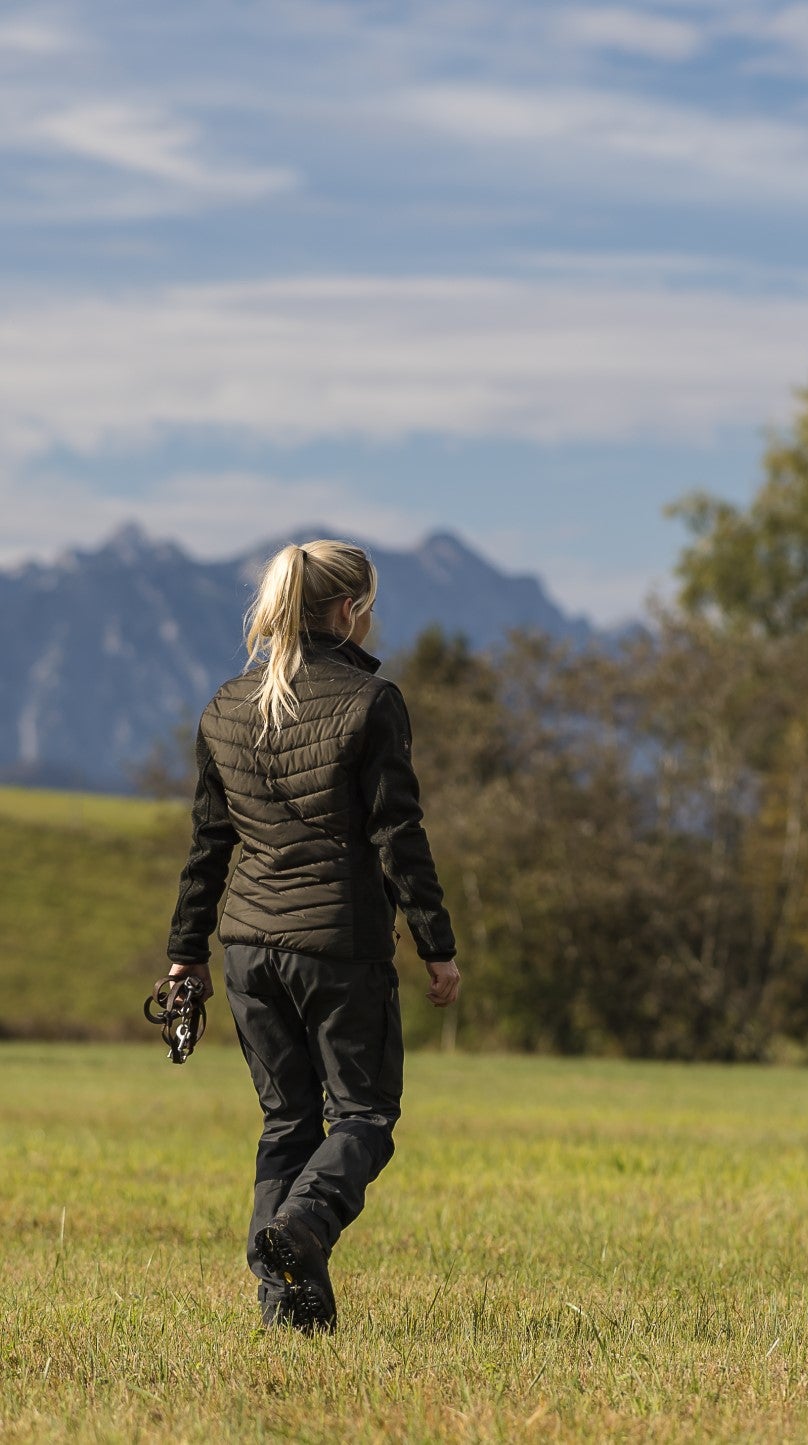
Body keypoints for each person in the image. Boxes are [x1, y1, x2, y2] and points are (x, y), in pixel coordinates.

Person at [164, 538, 461, 1334]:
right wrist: (437, 942)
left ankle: (290, 1312)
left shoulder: (226, 704)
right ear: (344, 610)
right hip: (338, 945)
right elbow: (399, 832)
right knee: (363, 1116)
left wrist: (186, 949)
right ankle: (302, 1228)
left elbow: (207, 846)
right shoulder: (372, 702)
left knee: (286, 1123)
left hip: (247, 950)